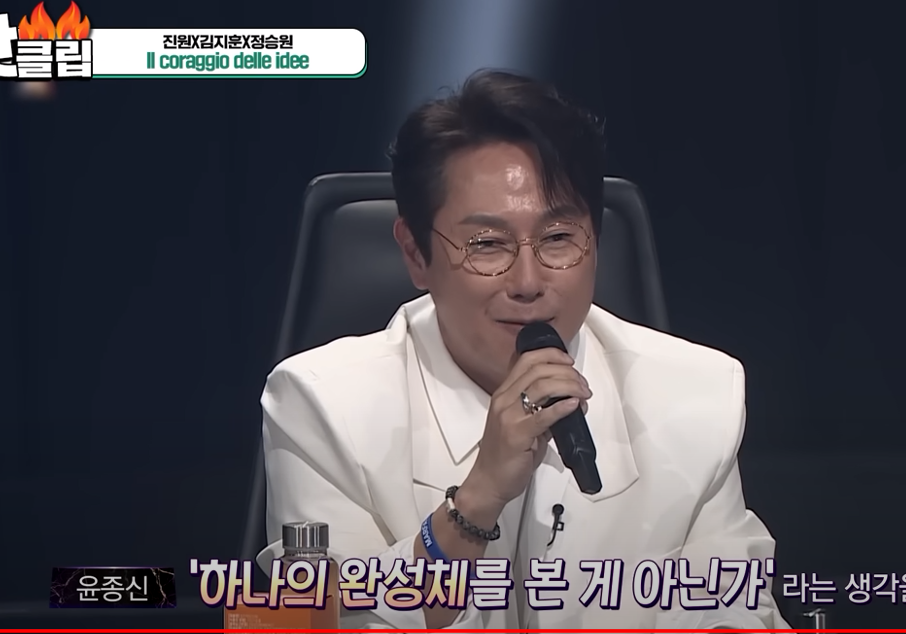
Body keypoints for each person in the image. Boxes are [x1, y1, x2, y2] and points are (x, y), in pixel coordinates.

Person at [258, 69, 789, 629]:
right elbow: (323, 619)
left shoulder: (696, 394)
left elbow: (739, 611)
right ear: (415, 254)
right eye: (487, 244)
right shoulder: (322, 406)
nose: (529, 282)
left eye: (558, 238)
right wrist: (477, 500)